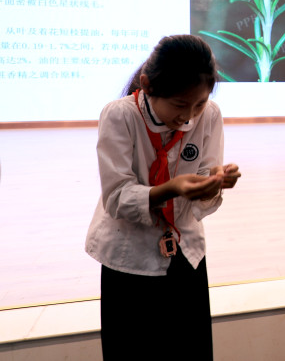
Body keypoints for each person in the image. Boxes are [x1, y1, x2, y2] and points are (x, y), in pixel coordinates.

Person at [85, 34, 241, 361]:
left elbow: (202, 173)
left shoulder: (209, 114)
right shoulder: (120, 115)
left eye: (199, 103)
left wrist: (214, 182)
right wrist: (171, 188)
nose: (189, 117)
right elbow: (116, 197)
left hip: (185, 251)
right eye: (180, 105)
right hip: (129, 259)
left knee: (191, 348)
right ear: (147, 84)